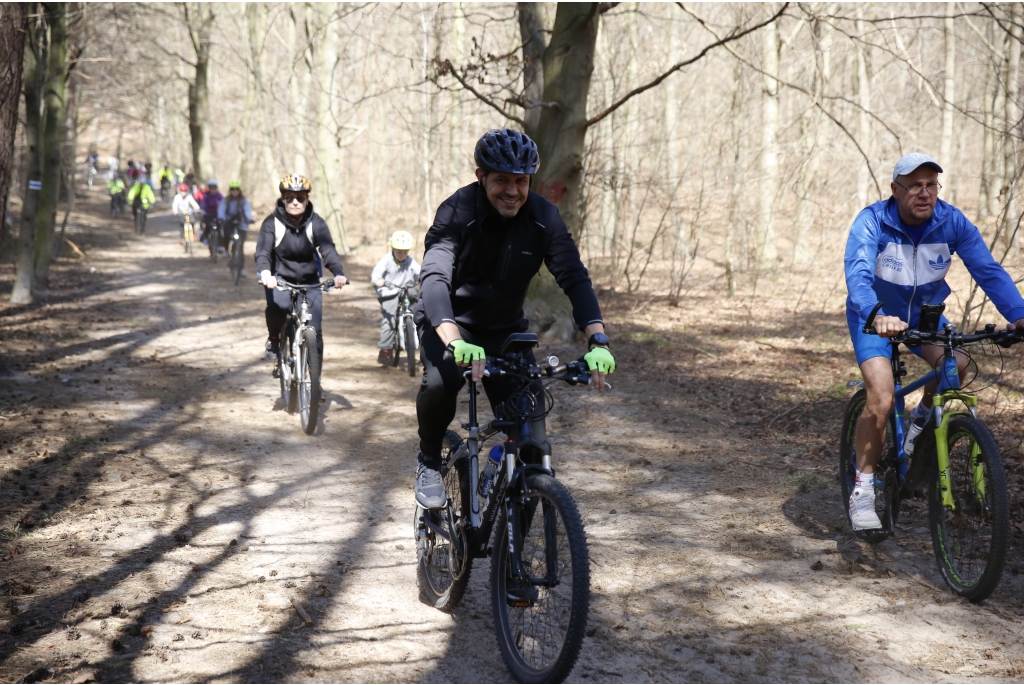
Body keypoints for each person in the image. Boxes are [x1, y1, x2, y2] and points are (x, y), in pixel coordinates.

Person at [412, 129, 616, 509]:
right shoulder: (456, 211)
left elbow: (573, 275)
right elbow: (435, 276)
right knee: (440, 381)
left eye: (520, 181)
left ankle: (513, 558)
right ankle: (428, 461)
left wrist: (598, 339)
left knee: (532, 447)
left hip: (506, 331)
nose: (512, 191)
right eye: (501, 180)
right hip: (452, 324)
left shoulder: (544, 218)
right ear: (481, 177)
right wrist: (454, 340)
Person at [844, 152, 1024, 531]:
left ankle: (918, 430)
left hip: (923, 315)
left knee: (955, 364)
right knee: (881, 395)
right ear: (895, 190)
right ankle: (862, 488)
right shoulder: (872, 221)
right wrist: (875, 314)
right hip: (874, 317)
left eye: (931, 185)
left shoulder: (951, 221)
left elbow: (987, 270)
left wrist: (1018, 313)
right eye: (914, 186)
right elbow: (858, 273)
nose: (924, 193)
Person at [255, 174, 349, 361]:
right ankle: (274, 339)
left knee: (315, 329)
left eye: (300, 198)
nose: (295, 202)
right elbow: (263, 251)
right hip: (279, 279)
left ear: (307, 200)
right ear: (283, 199)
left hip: (310, 281)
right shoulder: (271, 223)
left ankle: (315, 381)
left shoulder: (317, 223)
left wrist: (338, 273)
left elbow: (328, 250)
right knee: (278, 307)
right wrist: (266, 272)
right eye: (290, 197)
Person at [372, 230, 421, 365]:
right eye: (399, 251)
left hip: (406, 291)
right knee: (390, 320)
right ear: (393, 249)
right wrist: (378, 281)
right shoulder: (387, 260)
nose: (402, 255)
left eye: (405, 252)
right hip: (389, 292)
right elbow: (376, 273)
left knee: (419, 312)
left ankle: (421, 343)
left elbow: (420, 271)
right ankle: (385, 349)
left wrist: (426, 277)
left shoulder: (411, 262)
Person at [217, 180, 255, 275]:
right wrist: (220, 217)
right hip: (229, 222)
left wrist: (250, 219)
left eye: (236, 189)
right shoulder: (226, 200)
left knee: (240, 247)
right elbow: (222, 209)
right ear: (230, 190)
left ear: (239, 190)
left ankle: (241, 268)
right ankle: (226, 249)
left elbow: (247, 210)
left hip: (241, 223)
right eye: (233, 189)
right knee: (226, 233)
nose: (235, 191)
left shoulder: (243, 201)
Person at [199, 179, 223, 247]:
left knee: (219, 229)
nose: (213, 190)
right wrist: (202, 211)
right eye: (211, 188)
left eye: (214, 188)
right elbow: (203, 204)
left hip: (217, 215)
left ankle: (219, 245)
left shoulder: (219, 196)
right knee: (208, 227)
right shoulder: (206, 195)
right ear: (209, 188)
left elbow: (223, 204)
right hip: (208, 214)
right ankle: (206, 238)